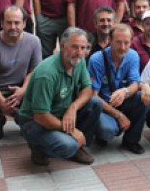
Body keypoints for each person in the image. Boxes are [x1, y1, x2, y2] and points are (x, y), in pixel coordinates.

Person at [18, 27, 102, 166]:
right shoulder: (47, 74)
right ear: (63, 45)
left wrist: (73, 108)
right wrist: (71, 130)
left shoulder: (79, 61)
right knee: (67, 146)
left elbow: (88, 89)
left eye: (83, 48)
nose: (80, 53)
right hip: (34, 122)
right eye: (74, 47)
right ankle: (38, 147)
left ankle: (77, 148)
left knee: (94, 104)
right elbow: (40, 116)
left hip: (60, 113)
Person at [0, 5, 42, 141]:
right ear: (2, 23)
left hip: (22, 88)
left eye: (17, 23)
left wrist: (23, 90)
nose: (13, 27)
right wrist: (2, 103)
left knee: (39, 106)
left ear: (24, 24)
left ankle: (25, 122)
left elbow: (34, 70)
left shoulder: (34, 42)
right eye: (9, 22)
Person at [88, 24, 150, 154]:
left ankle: (131, 141)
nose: (122, 48)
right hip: (104, 104)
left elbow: (135, 83)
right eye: (118, 42)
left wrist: (125, 91)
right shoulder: (96, 59)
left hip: (123, 100)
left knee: (142, 98)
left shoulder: (133, 55)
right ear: (110, 41)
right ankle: (101, 134)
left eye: (126, 43)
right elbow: (93, 96)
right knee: (107, 131)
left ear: (131, 42)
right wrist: (119, 115)